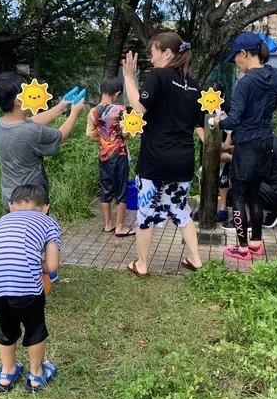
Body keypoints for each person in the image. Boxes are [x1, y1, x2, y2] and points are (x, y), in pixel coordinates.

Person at [121, 32, 204, 276]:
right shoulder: (194, 84)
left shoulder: (158, 76)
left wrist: (129, 77)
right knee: (181, 210)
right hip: (183, 160)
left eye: (153, 51)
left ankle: (142, 264)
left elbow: (139, 107)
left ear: (167, 53)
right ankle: (196, 259)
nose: (151, 57)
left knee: (146, 212)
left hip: (155, 160)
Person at [218, 32, 277, 261]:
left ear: (244, 53)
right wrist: (269, 106)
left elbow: (232, 121)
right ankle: (255, 243)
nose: (236, 62)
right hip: (265, 142)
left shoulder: (245, 83)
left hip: (246, 145)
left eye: (236, 57)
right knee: (255, 196)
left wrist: (216, 122)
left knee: (239, 197)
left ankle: (242, 247)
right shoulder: (274, 75)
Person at [0, 185, 61, 393]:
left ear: (11, 207)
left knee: (6, 325)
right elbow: (52, 266)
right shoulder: (48, 221)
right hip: (24, 278)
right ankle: (36, 375)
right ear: (45, 208)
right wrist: (37, 267)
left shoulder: (0, 221)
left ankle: (7, 373)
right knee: (34, 327)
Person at [0, 72, 86, 212]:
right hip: (31, 202)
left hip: (10, 198)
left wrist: (62, 106)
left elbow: (32, 121)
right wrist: (74, 112)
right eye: (27, 93)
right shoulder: (30, 132)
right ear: (18, 101)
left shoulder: (1, 125)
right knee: (38, 233)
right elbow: (61, 136)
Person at [86, 76, 135, 237]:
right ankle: (120, 227)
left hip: (103, 156)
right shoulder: (121, 109)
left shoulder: (93, 112)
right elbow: (126, 134)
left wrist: (104, 138)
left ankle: (108, 224)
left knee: (106, 189)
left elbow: (91, 136)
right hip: (119, 155)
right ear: (117, 93)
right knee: (121, 191)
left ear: (101, 90)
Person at [220, 132, 277, 231]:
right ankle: (272, 212)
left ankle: (247, 222)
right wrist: (228, 147)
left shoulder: (271, 143)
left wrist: (229, 157)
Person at [195, 83, 233, 222]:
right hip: (207, 146)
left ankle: (223, 208)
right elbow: (198, 126)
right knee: (203, 175)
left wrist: (225, 146)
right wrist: (209, 143)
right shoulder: (203, 104)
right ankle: (204, 206)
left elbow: (232, 129)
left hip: (225, 145)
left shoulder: (228, 106)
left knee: (223, 178)